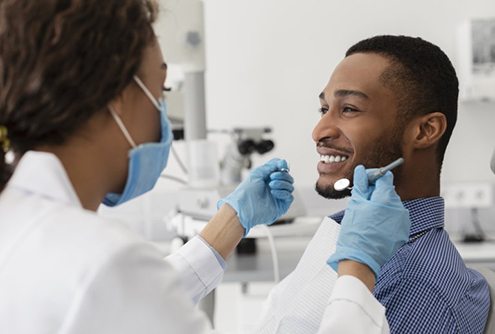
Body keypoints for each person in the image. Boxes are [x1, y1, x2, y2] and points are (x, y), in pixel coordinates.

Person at [0, 1, 410, 333]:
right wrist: (358, 270)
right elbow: (121, 294)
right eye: (161, 90)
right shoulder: (106, 265)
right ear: (116, 96)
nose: (321, 129)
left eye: (349, 108)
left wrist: (232, 221)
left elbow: (125, 305)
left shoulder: (24, 227)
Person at [253, 35, 491, 334]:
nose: (319, 130)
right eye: (323, 109)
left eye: (349, 109)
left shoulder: (415, 286)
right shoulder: (352, 241)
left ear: (425, 131)